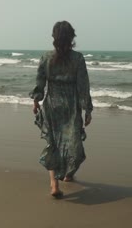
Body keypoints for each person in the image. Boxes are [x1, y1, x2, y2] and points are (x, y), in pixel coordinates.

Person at [30, 21, 93, 198]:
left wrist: (36, 102)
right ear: (72, 37)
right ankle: (57, 182)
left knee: (54, 144)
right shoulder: (77, 59)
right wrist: (87, 109)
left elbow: (40, 83)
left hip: (52, 105)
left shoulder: (46, 58)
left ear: (54, 37)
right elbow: (83, 87)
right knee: (74, 147)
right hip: (70, 107)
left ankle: (61, 178)